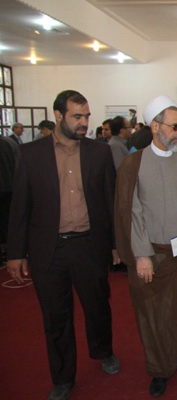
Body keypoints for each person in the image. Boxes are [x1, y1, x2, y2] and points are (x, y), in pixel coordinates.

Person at [6, 90, 120, 400]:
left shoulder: (99, 153)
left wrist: (115, 244)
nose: (84, 123)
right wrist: (15, 252)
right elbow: (20, 206)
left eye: (86, 116)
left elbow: (110, 202)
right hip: (48, 250)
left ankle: (103, 350)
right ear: (58, 115)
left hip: (88, 246)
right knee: (55, 317)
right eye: (77, 117)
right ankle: (62, 376)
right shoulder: (31, 154)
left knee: (97, 306)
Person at [114, 95, 177, 397]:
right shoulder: (133, 164)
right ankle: (161, 368)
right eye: (174, 127)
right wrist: (142, 255)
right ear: (155, 126)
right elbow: (130, 213)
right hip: (154, 257)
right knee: (156, 316)